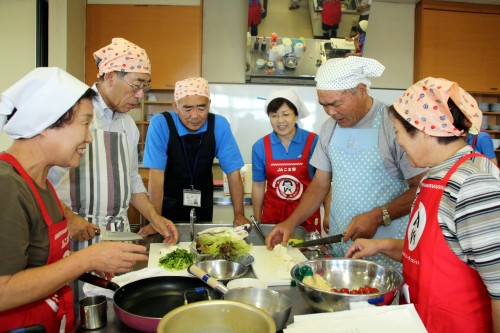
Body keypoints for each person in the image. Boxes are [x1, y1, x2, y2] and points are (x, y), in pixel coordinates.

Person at [346, 77, 500, 333]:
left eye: (398, 133)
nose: (399, 143)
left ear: (424, 129)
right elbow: (428, 256)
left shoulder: (474, 186)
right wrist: (380, 246)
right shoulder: (432, 177)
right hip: (422, 322)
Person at [0, 67, 148, 332]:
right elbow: (3, 291)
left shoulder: (41, 185)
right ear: (46, 123)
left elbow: (38, 264)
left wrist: (92, 267)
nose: (89, 138)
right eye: (84, 124)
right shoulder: (7, 186)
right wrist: (86, 259)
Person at [265, 57, 427, 272]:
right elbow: (320, 183)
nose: (331, 112)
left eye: (336, 103)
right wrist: (291, 223)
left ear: (360, 90)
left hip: (386, 255)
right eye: (324, 105)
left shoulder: (392, 124)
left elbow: (422, 187)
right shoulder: (329, 128)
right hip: (340, 250)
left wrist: (379, 216)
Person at [49, 38, 178, 246]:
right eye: (136, 86)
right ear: (110, 77)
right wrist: (69, 217)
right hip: (75, 233)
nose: (140, 95)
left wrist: (155, 218)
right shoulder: (71, 114)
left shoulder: (128, 125)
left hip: (119, 235)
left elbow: (132, 180)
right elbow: (41, 179)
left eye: (144, 87)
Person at [140, 77, 250, 230]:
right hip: (166, 204)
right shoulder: (161, 124)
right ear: (175, 107)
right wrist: (155, 220)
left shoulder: (219, 125)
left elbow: (233, 172)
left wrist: (239, 214)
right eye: (187, 109)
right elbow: (156, 175)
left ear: (209, 105)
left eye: (201, 108)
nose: (195, 116)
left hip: (202, 203)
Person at [252, 89, 329, 233]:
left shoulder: (313, 141)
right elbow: (258, 186)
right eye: (274, 116)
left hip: (306, 215)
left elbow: (324, 182)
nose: (280, 121)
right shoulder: (260, 146)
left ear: (296, 115)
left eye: (286, 114)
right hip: (272, 216)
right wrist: (257, 220)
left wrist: (328, 214)